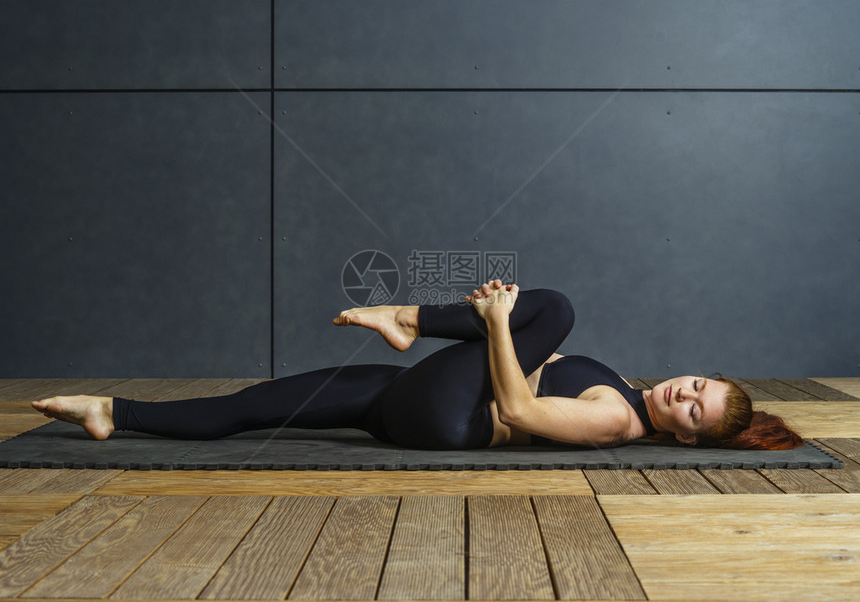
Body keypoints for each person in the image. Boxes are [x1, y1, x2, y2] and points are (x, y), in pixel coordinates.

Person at [31, 280, 803, 451]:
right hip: (417, 397)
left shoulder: (616, 418)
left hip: (452, 417)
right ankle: (115, 410)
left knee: (554, 307)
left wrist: (501, 322)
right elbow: (527, 370)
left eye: (693, 410)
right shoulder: (626, 384)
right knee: (260, 402)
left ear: (685, 437)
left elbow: (522, 407)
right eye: (698, 384)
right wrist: (505, 335)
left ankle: (404, 318)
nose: (684, 394)